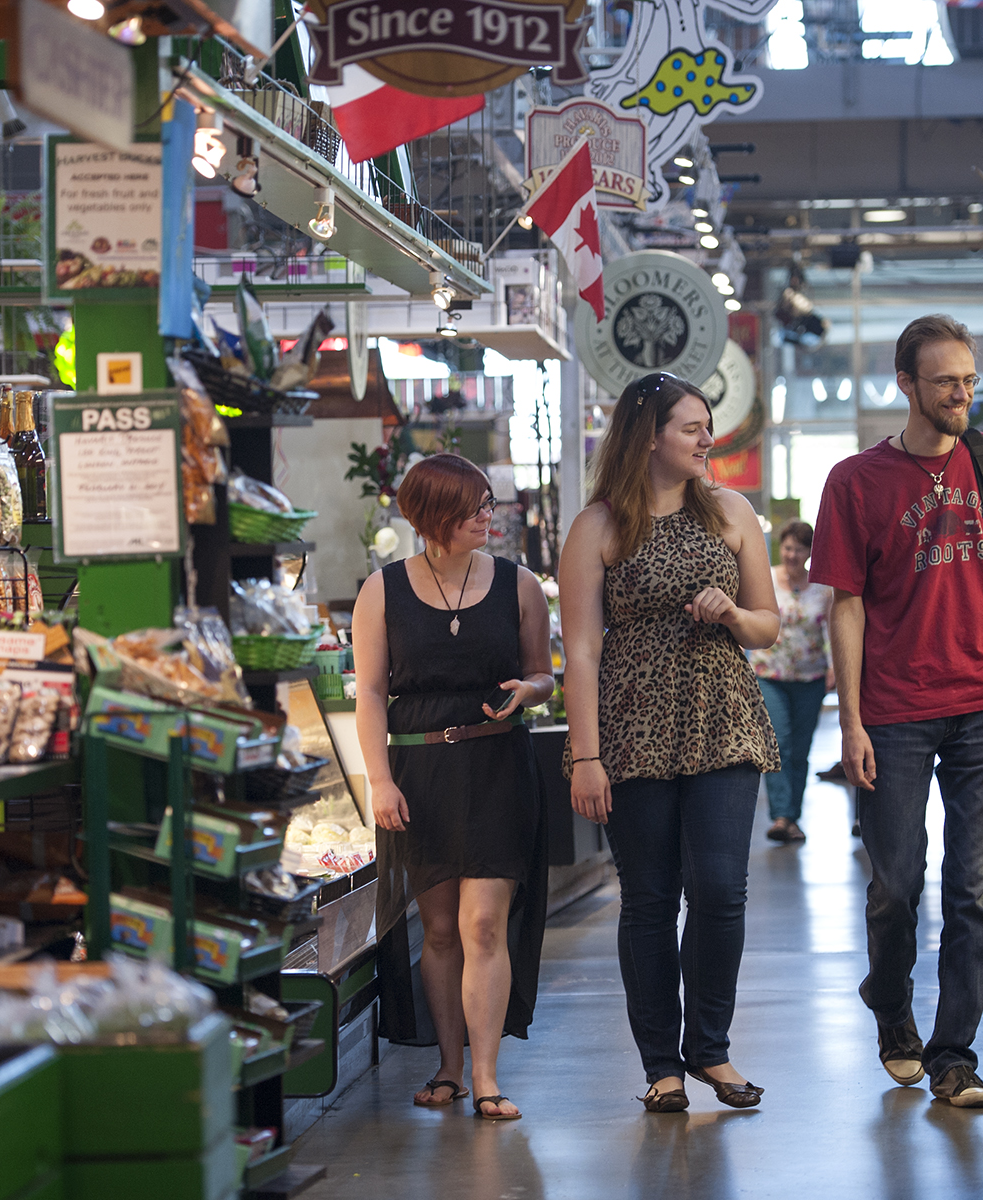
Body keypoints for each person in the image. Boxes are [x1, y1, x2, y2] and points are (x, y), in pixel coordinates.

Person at [811, 314, 983, 1109]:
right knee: (897, 885)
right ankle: (891, 1007)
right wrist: (849, 721)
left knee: (972, 888)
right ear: (905, 385)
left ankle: (954, 1055)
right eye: (947, 381)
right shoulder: (856, 481)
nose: (962, 394)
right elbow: (845, 607)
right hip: (894, 712)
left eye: (970, 380)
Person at [559, 371, 782, 1113]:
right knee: (649, 899)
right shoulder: (597, 526)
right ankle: (661, 1064)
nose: (706, 439)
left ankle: (710, 1050)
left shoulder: (730, 511)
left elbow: (768, 625)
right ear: (648, 434)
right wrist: (584, 756)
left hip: (721, 714)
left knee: (721, 891)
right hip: (631, 724)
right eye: (691, 427)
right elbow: (582, 651)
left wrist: (730, 615)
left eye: (706, 426)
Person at [352, 452, 555, 1122]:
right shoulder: (382, 590)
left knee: (483, 922)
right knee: (438, 928)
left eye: (488, 504)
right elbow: (373, 692)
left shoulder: (519, 585)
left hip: (499, 767)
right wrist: (379, 779)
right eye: (474, 507)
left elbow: (543, 675)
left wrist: (530, 691)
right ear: (432, 515)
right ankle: (449, 1066)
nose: (487, 517)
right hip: (420, 774)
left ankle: (489, 1074)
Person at [750, 519, 834, 845]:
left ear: (810, 552)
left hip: (811, 677)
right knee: (778, 743)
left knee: (800, 749)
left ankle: (793, 817)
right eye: (787, 547)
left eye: (799, 549)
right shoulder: (766, 580)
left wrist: (835, 668)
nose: (792, 554)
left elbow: (831, 630)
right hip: (769, 673)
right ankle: (782, 816)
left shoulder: (823, 588)